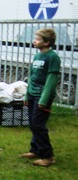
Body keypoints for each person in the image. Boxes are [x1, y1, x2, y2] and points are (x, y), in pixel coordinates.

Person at [21, 28, 61, 167]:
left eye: (38, 39)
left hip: (43, 96)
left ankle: (48, 156)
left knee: (38, 124)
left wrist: (44, 99)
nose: (34, 41)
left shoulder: (52, 57)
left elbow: (51, 79)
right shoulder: (37, 56)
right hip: (32, 94)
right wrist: (27, 94)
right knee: (33, 122)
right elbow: (32, 76)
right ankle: (36, 150)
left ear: (47, 42)